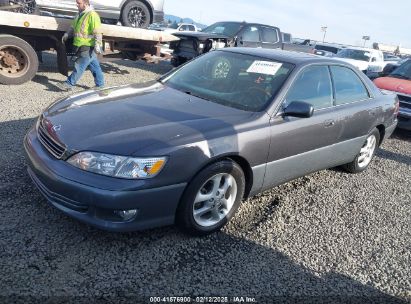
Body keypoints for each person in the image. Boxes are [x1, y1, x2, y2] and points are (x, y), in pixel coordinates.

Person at [60, 0, 104, 90]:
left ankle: (69, 83)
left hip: (88, 46)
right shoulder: (79, 15)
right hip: (80, 45)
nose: (76, 4)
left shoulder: (92, 15)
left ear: (86, 4)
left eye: (79, 3)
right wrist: (67, 34)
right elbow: (72, 27)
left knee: (79, 65)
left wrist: (97, 44)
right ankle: (100, 85)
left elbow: (97, 31)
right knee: (94, 66)